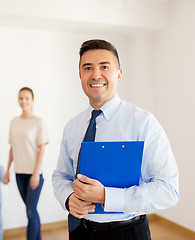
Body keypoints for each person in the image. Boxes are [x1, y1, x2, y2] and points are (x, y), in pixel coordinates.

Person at [52, 39, 179, 240]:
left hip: (127, 232)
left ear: (119, 74)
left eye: (104, 67)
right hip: (79, 230)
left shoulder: (143, 123)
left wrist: (105, 196)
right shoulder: (72, 127)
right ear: (80, 76)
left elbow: (168, 189)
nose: (96, 75)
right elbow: (61, 176)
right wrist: (68, 198)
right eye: (88, 68)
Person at [3, 87, 48, 240]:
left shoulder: (38, 122)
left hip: (34, 174)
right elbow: (12, 148)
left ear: (32, 100)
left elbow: (42, 148)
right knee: (31, 210)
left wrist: (36, 174)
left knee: (30, 211)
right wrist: (7, 170)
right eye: (21, 98)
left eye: (27, 98)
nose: (24, 101)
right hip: (19, 173)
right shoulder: (14, 122)